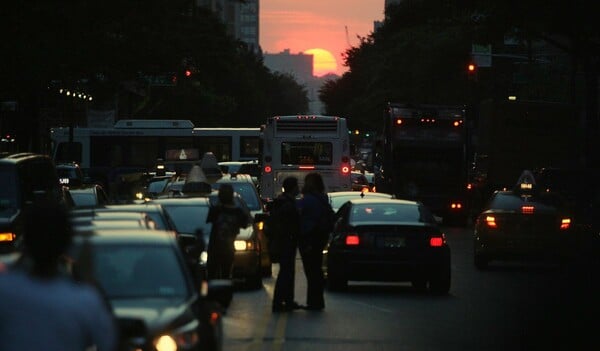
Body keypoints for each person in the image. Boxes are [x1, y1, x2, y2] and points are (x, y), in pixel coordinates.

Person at [0, 199, 117, 351]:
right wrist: (88, 277)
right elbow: (109, 342)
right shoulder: (83, 300)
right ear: (67, 243)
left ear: (26, 240)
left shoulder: (5, 291)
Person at [297, 172, 335, 311]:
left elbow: (304, 220)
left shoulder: (309, 200)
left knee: (311, 271)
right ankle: (316, 301)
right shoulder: (322, 198)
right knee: (316, 270)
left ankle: (314, 302)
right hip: (319, 238)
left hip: (310, 239)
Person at [269, 177, 303, 312]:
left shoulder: (283, 202)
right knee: (286, 272)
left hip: (284, 241)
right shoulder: (287, 204)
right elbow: (290, 225)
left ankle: (287, 300)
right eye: (296, 186)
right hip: (286, 242)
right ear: (293, 188)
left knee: (288, 272)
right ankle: (279, 302)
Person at [206, 184, 250, 279]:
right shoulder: (237, 212)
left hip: (215, 249)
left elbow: (208, 222)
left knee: (213, 276)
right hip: (226, 249)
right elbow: (245, 223)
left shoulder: (216, 210)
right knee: (225, 275)